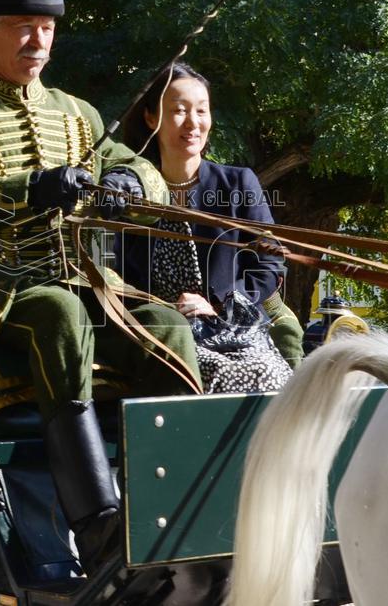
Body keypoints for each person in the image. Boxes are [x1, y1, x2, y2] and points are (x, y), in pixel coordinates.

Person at [0, 0, 199, 575]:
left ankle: (179, 509)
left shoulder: (78, 113)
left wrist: (128, 181)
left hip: (84, 283)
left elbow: (141, 166)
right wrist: (24, 191)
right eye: (23, 25)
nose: (38, 39)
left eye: (46, 27)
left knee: (168, 324)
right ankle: (96, 528)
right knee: (60, 312)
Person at [117, 63, 305, 390]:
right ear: (150, 118)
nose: (193, 123)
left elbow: (270, 263)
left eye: (201, 111)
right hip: (160, 335)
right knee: (216, 376)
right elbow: (110, 273)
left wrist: (221, 305)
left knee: (272, 379)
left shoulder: (237, 183)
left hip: (234, 326)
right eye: (178, 111)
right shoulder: (126, 187)